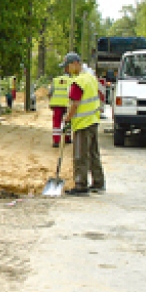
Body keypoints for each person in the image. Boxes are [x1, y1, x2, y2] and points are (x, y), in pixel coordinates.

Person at [62, 52, 105, 195]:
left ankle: (81, 185)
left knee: (80, 155)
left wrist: (67, 119)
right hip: (93, 120)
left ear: (75, 63)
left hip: (83, 123)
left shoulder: (78, 81)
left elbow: (75, 104)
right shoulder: (91, 78)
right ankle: (98, 182)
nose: (66, 71)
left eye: (67, 67)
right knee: (93, 153)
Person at [48, 70, 71, 148]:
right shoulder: (72, 80)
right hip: (68, 104)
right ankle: (67, 138)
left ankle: (56, 141)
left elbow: (50, 93)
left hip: (57, 104)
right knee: (68, 121)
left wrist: (50, 102)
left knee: (56, 122)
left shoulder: (56, 80)